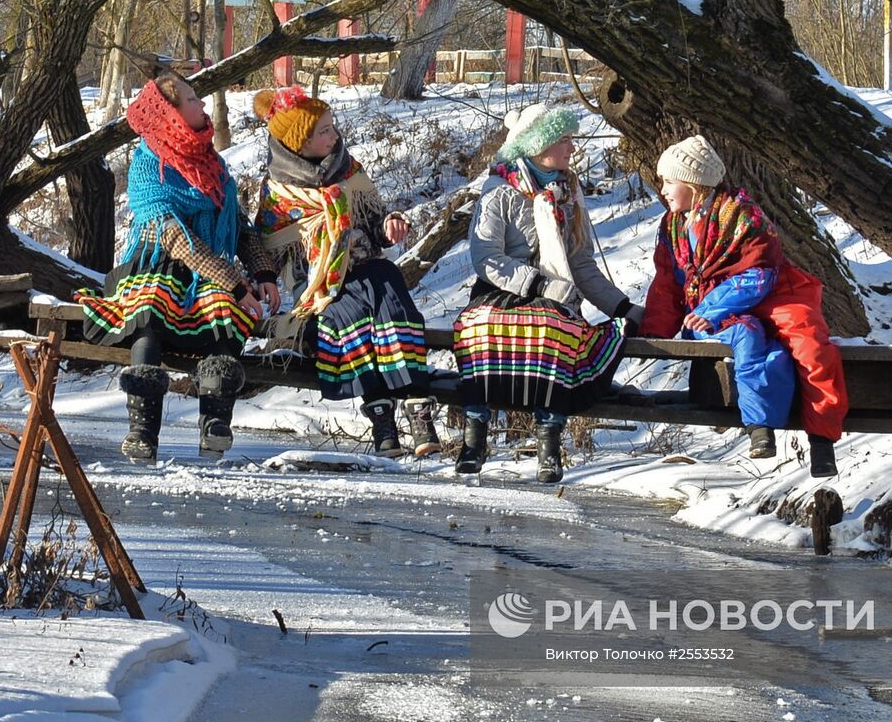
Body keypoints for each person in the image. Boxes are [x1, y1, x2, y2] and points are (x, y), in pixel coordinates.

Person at [76, 72, 275, 463]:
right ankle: (143, 429)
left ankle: (215, 423)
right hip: (157, 261)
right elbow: (175, 239)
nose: (201, 105)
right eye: (191, 99)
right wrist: (236, 281)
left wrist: (262, 272)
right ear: (171, 114)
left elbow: (236, 225)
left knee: (225, 310)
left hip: (208, 272)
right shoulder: (149, 164)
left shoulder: (212, 164)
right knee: (149, 307)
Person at [453, 102, 644, 484]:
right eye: (565, 140)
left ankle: (549, 440)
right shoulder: (499, 191)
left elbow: (581, 264)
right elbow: (486, 257)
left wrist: (621, 306)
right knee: (477, 327)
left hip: (555, 296)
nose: (572, 149)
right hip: (501, 291)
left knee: (553, 326)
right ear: (539, 145)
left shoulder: (568, 193)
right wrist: (537, 284)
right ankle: (475, 436)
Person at [639, 135, 847, 477]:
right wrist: (653, 335)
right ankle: (761, 426)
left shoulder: (742, 217)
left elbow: (758, 275)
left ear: (693, 184)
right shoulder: (673, 226)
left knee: (810, 346)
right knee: (758, 345)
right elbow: (668, 285)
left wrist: (709, 311)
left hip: (771, 294)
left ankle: (822, 439)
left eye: (669, 182)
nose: (662, 189)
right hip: (718, 309)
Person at [252, 86, 441, 458]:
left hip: (366, 266)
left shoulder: (349, 169)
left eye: (333, 127)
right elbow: (270, 250)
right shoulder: (276, 192)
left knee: (391, 297)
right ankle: (382, 418)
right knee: (347, 316)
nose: (335, 135)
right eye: (324, 131)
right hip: (320, 284)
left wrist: (390, 223)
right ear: (299, 142)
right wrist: (266, 280)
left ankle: (418, 408)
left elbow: (374, 221)